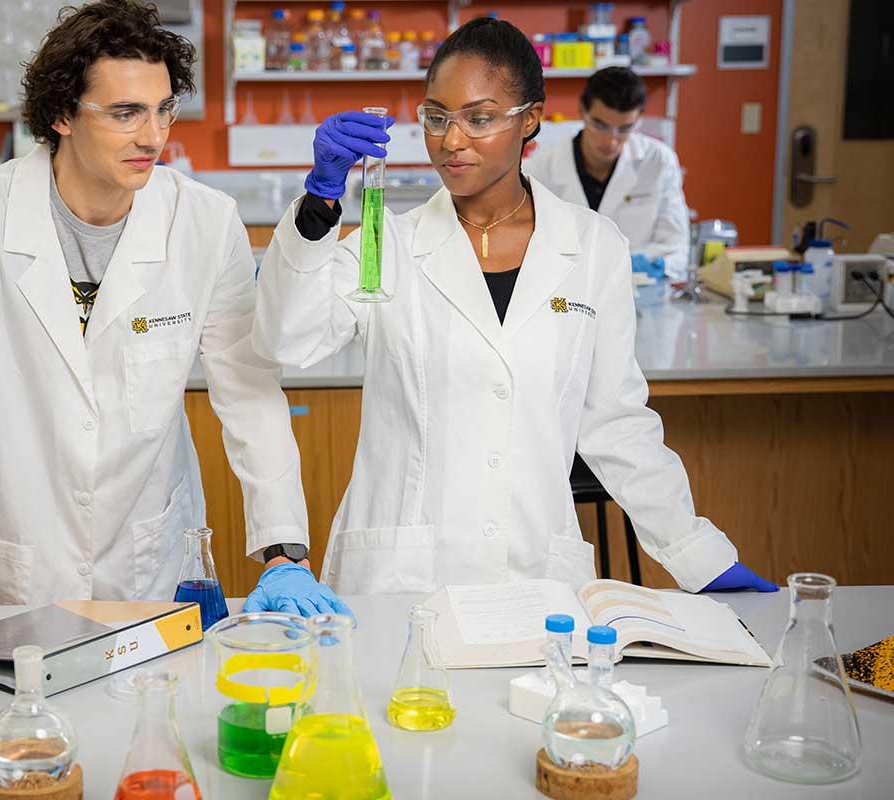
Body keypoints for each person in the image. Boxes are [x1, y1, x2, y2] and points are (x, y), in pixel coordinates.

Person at [0, 0, 345, 653]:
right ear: (61, 115)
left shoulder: (203, 221)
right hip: (24, 553)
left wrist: (283, 551)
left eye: (164, 108)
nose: (153, 136)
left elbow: (247, 392)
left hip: (152, 557)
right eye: (125, 112)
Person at [252, 18, 775, 598]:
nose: (451, 141)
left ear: (530, 120)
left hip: (534, 572)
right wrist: (321, 203)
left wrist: (697, 553)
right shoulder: (388, 244)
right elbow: (287, 341)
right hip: (402, 577)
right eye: (436, 117)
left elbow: (615, 422)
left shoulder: (593, 247)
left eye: (478, 118)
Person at [523, 67, 690, 282]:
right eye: (600, 125)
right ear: (583, 112)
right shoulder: (538, 170)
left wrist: (650, 265)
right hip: (562, 297)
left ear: (638, 119)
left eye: (624, 129)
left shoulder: (658, 162)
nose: (610, 140)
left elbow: (676, 250)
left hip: (635, 294)